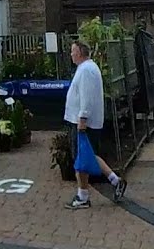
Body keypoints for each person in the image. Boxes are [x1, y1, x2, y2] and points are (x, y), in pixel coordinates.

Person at [63, 40, 126, 209]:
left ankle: (83, 196)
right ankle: (115, 180)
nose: (71, 54)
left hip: (84, 123)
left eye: (72, 51)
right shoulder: (86, 69)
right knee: (89, 155)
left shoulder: (86, 71)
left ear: (80, 53)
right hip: (84, 121)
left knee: (81, 158)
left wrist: (82, 119)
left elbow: (87, 97)